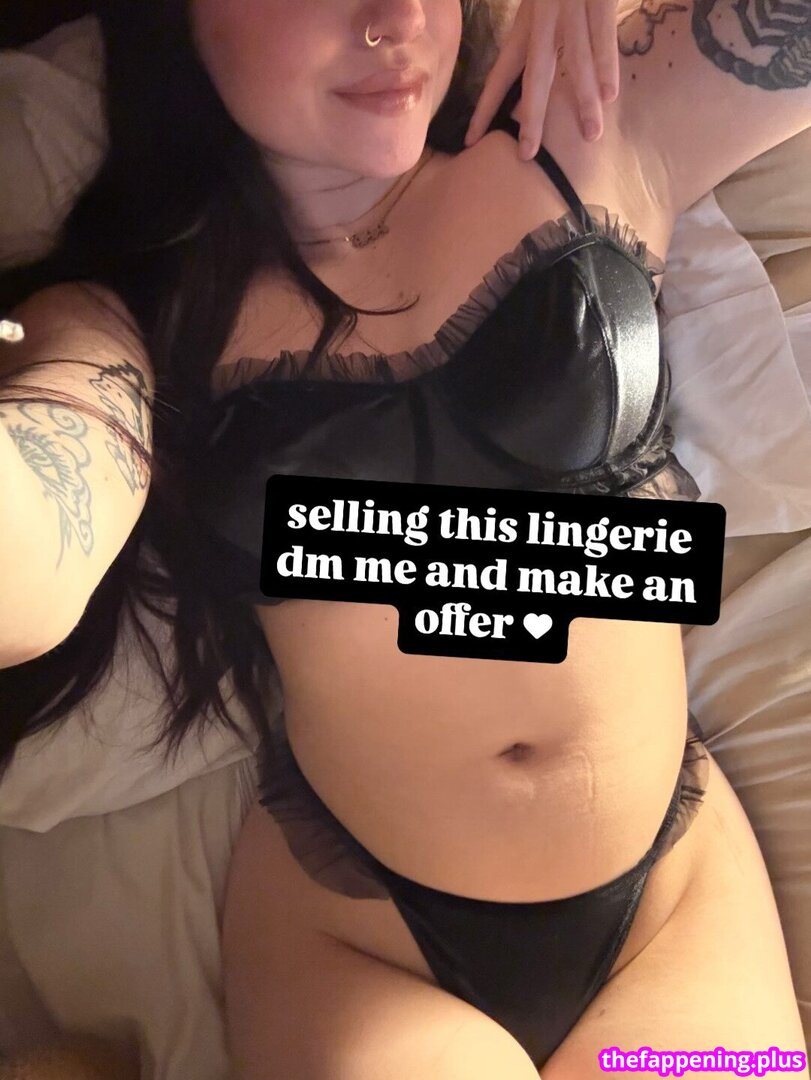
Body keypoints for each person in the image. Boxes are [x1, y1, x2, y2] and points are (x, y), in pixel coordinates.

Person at [0, 1, 809, 1078]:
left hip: (672, 905)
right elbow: (30, 548)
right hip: (368, 942)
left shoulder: (584, 127)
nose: (396, 17)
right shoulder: (137, 314)